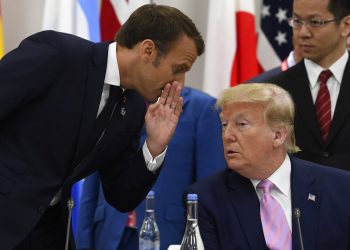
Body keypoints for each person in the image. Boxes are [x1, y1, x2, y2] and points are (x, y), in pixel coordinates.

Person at [0, 4, 204, 250]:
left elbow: (121, 196)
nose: (179, 83)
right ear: (148, 50)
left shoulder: (137, 107)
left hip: (47, 231)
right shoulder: (59, 54)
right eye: (178, 69)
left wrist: (154, 146)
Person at [188, 83, 350, 249]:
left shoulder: (341, 188)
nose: (227, 136)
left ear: (278, 135)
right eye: (224, 125)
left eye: (241, 124)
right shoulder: (207, 198)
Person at [76, 86, 226, 250]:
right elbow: (93, 175)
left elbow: (208, 192)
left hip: (166, 235)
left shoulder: (204, 108)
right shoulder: (120, 99)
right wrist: (83, 242)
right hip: (107, 234)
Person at [268, 0, 350, 171]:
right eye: (297, 22)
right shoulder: (273, 91)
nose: (302, 33)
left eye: (315, 22)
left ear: (345, 25)